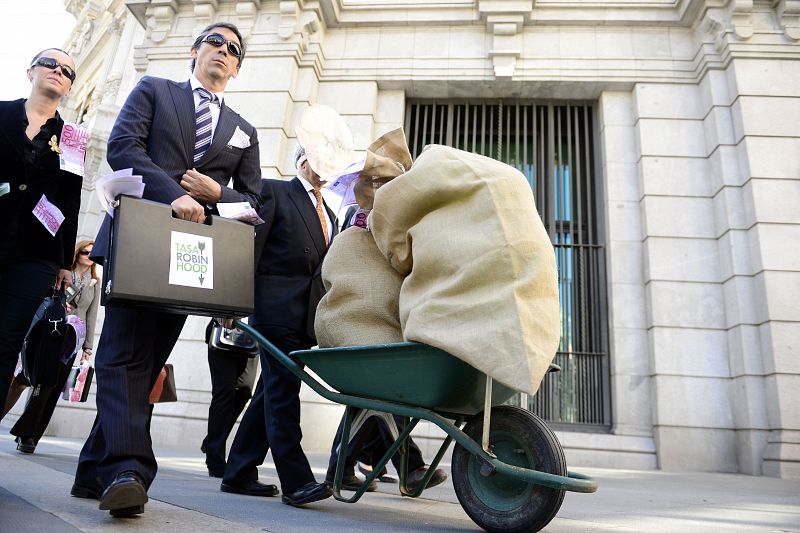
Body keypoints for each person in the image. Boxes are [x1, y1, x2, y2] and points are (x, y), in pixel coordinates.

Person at [72, 22, 262, 518]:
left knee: (147, 361)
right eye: (215, 42)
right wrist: (173, 194)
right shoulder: (155, 90)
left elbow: (254, 204)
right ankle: (128, 470)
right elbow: (124, 149)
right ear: (195, 50)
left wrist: (217, 195)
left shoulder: (245, 130)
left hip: (190, 261)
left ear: (238, 67)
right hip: (139, 237)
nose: (223, 51)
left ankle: (91, 469)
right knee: (120, 354)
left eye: (234, 50)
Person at [221, 144, 336, 507]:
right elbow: (250, 248)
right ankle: (296, 480)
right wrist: (231, 300)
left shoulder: (330, 211)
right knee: (283, 394)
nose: (324, 164)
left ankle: (238, 472)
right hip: (273, 311)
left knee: (270, 393)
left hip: (304, 319)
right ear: (302, 159)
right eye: (319, 155)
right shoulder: (274, 190)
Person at [0, 48, 82, 423]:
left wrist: (65, 262)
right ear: (31, 70)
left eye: (67, 71)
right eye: (51, 64)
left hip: (36, 253)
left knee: (6, 343)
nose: (58, 71)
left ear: (68, 87)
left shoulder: (73, 138)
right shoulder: (2, 113)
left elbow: (70, 199)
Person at [10, 240, 100, 453]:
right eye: (85, 252)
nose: (88, 255)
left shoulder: (94, 281)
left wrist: (87, 348)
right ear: (77, 253)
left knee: (56, 386)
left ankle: (34, 434)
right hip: (52, 333)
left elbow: (91, 316)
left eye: (92, 253)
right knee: (43, 383)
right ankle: (26, 434)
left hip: (73, 340)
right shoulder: (63, 273)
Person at [201, 318, 258, 477]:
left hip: (252, 335)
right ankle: (215, 460)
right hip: (224, 329)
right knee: (224, 393)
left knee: (244, 392)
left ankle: (211, 440)